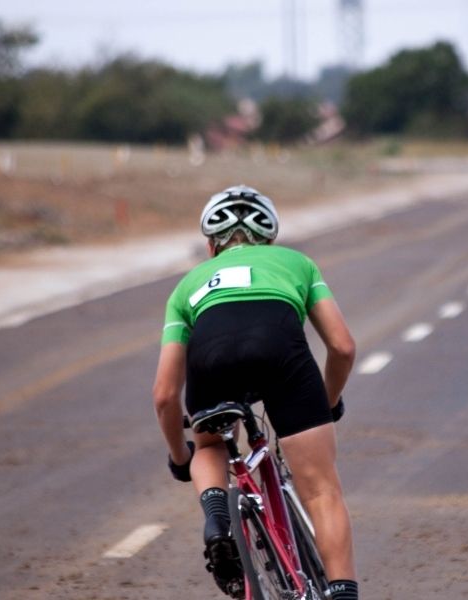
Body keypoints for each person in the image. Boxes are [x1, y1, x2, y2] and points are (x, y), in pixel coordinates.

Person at [152, 185, 359, 600]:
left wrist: (181, 457)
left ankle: (216, 516)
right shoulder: (296, 263)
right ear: (270, 239)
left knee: (210, 443)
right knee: (321, 491)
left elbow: (164, 395)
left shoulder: (186, 286)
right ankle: (342, 593)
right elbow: (342, 347)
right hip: (280, 350)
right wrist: (328, 401)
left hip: (211, 359)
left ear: (211, 245)